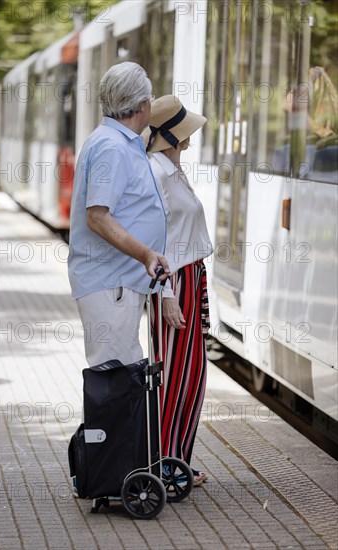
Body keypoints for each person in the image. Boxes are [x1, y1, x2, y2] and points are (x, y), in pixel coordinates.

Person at [68, 62, 169, 367]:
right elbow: (97, 216)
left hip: (118, 284)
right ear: (142, 104)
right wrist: (147, 254)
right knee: (115, 380)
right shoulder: (112, 147)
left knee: (119, 377)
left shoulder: (116, 142)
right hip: (111, 284)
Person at [143, 95, 213, 486]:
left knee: (192, 375)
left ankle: (178, 458)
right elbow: (156, 235)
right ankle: (165, 464)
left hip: (191, 278)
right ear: (169, 135)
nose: (189, 138)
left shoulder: (171, 168)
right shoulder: (155, 172)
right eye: (183, 131)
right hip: (174, 281)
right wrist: (166, 293)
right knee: (172, 375)